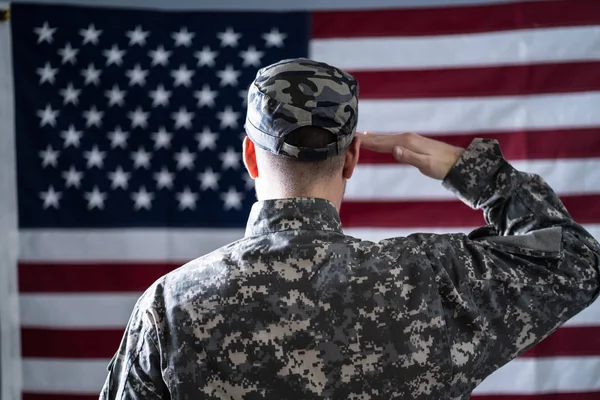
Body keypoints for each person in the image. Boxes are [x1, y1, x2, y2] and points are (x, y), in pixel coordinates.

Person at [99, 58, 600, 400]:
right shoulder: (432, 281)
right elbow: (576, 260)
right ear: (353, 158)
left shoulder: (169, 306)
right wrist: (475, 172)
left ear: (250, 155)